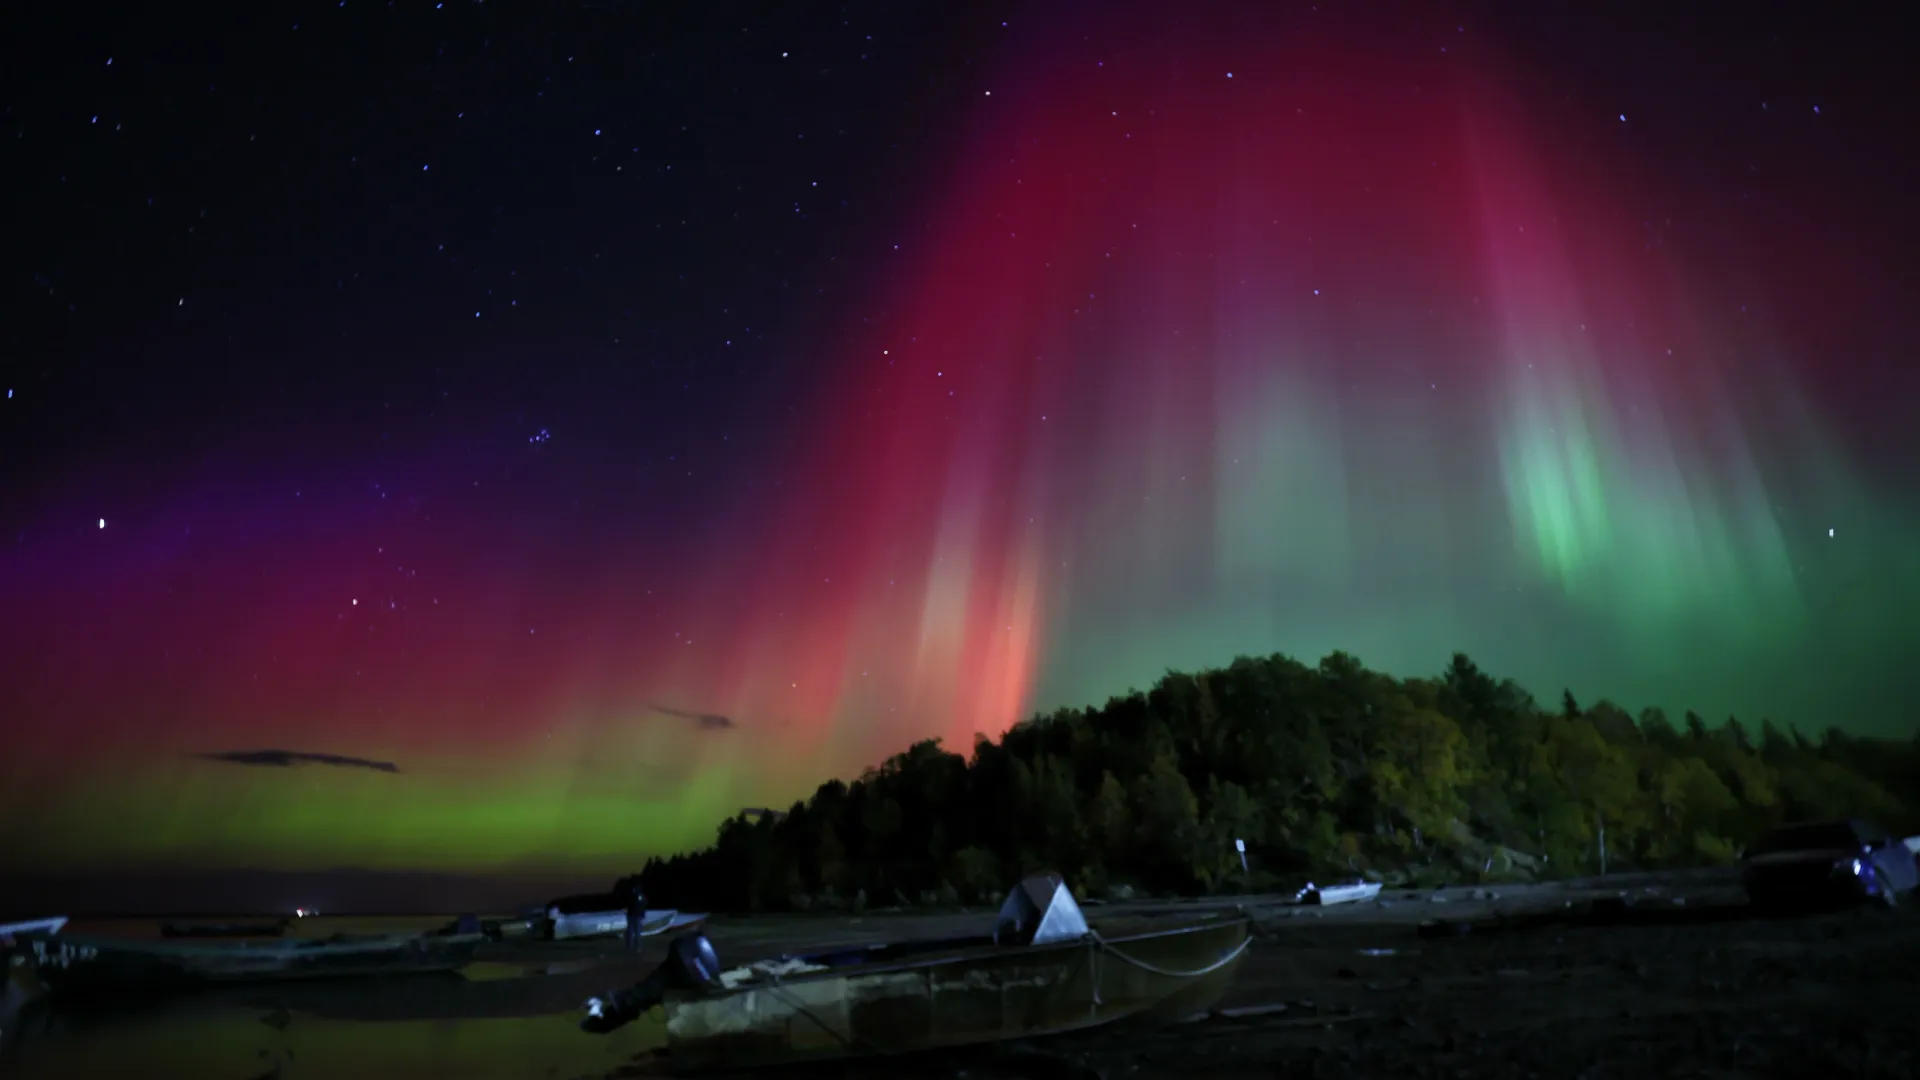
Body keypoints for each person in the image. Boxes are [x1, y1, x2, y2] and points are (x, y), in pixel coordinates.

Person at [622, 883, 647, 953]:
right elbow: (644, 904)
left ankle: (629, 947)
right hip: (638, 916)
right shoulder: (642, 896)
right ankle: (638, 948)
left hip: (632, 916)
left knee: (630, 932)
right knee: (637, 932)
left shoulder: (631, 896)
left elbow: (628, 904)